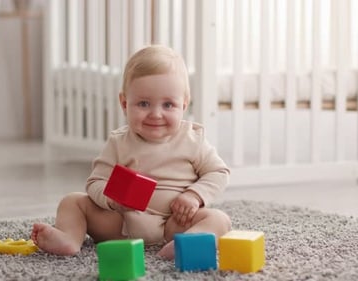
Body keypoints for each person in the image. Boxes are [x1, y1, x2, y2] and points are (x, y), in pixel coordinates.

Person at [31, 45, 231, 259]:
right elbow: (95, 182)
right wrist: (112, 200)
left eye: (168, 105)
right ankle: (69, 238)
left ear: (184, 104)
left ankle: (184, 245)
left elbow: (218, 172)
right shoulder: (119, 142)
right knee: (72, 201)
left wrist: (194, 196)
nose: (156, 114)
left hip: (173, 223)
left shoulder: (193, 139)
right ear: (124, 103)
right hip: (121, 223)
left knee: (220, 219)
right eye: (144, 103)